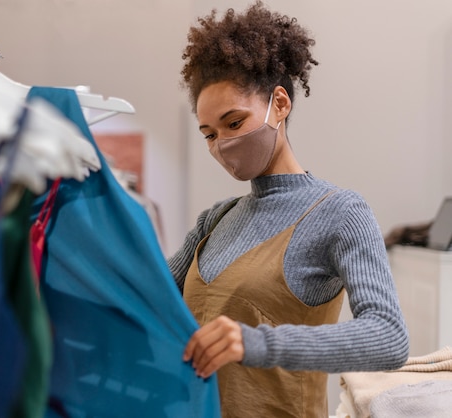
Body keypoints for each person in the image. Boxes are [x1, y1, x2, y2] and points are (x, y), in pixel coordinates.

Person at [168, 2, 409, 416]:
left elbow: (388, 338)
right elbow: (146, 296)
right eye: (209, 133)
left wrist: (257, 342)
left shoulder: (339, 212)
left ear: (279, 104)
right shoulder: (216, 219)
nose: (221, 144)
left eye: (234, 123)